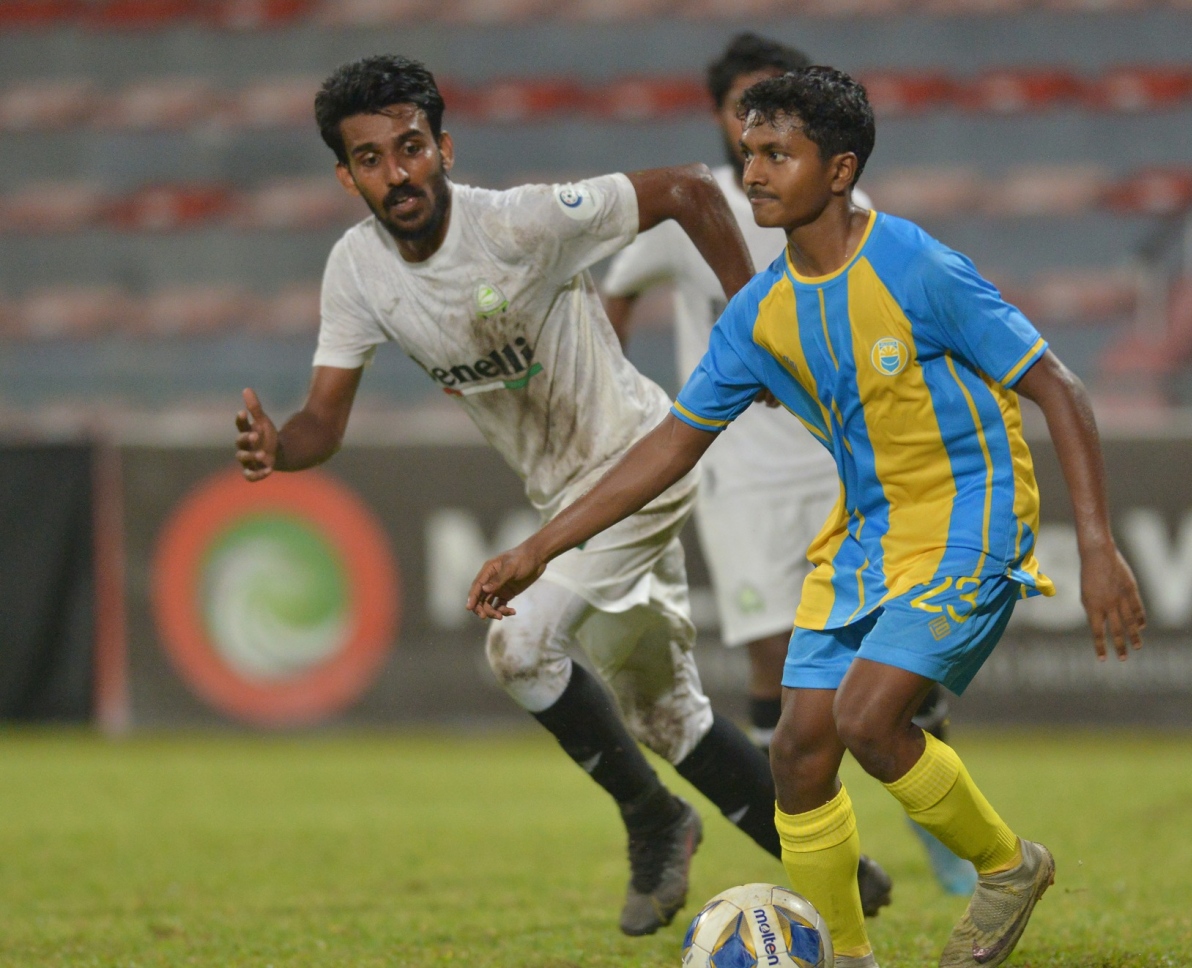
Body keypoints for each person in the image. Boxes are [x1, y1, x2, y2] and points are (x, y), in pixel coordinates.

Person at [467, 67, 1147, 968]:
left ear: (839, 170)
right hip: (868, 529)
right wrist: (540, 550)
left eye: (777, 154)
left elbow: (1058, 388)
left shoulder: (917, 267)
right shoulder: (758, 315)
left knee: (868, 720)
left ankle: (1006, 866)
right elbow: (667, 448)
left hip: (970, 514)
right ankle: (847, 957)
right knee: (796, 753)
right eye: (748, 152)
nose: (752, 173)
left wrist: (1097, 546)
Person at [230, 54, 889, 939]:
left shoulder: (520, 223)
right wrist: (279, 448)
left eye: (412, 147)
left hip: (641, 463)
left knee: (519, 645)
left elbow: (691, 189)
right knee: (667, 717)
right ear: (347, 176)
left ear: (444, 148)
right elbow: (323, 421)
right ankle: (839, 868)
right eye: (372, 159)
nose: (398, 173)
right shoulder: (356, 271)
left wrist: (750, 324)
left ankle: (654, 820)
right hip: (564, 496)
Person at [600, 32, 976, 897]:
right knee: (773, 660)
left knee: (893, 656)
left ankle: (939, 824)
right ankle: (814, 847)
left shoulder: (841, 206)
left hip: (838, 467)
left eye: (777, 105)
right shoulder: (696, 209)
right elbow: (617, 291)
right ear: (720, 115)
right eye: (746, 107)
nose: (759, 124)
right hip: (737, 477)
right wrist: (623, 392)